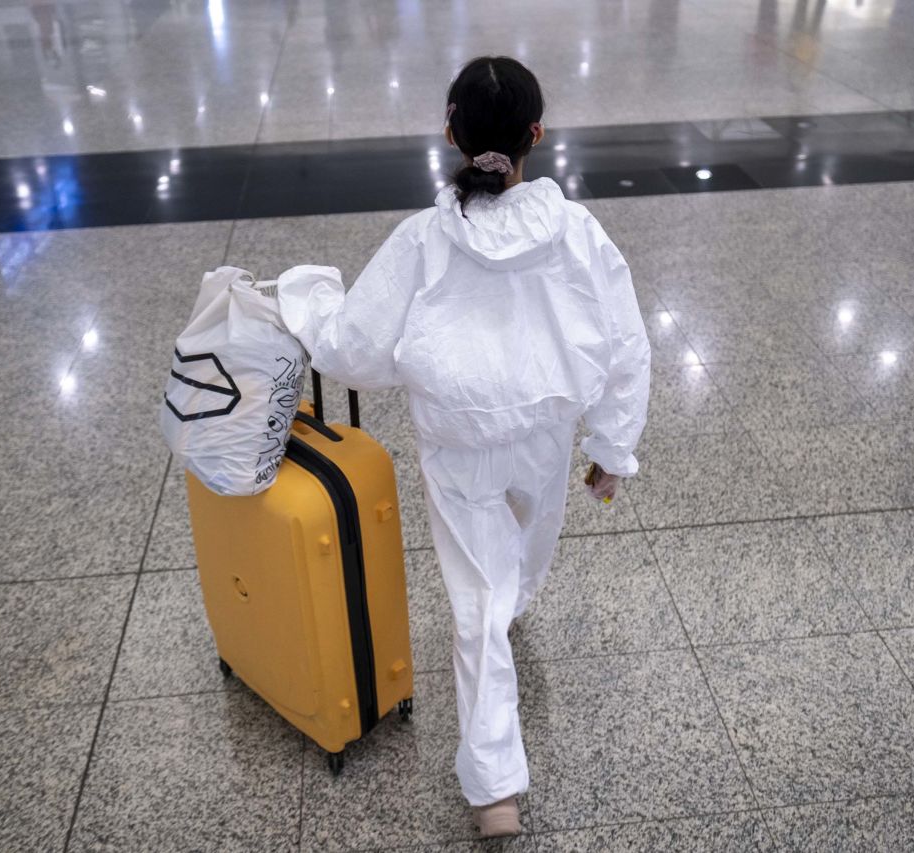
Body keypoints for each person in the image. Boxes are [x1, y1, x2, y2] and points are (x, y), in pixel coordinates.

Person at [278, 55, 650, 837]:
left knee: (475, 595)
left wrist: (308, 297)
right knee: (534, 533)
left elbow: (351, 348)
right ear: (536, 136)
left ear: (449, 132)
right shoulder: (578, 233)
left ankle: (495, 790)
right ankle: (513, 608)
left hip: (458, 445)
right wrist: (613, 448)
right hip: (547, 434)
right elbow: (625, 344)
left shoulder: (425, 240)